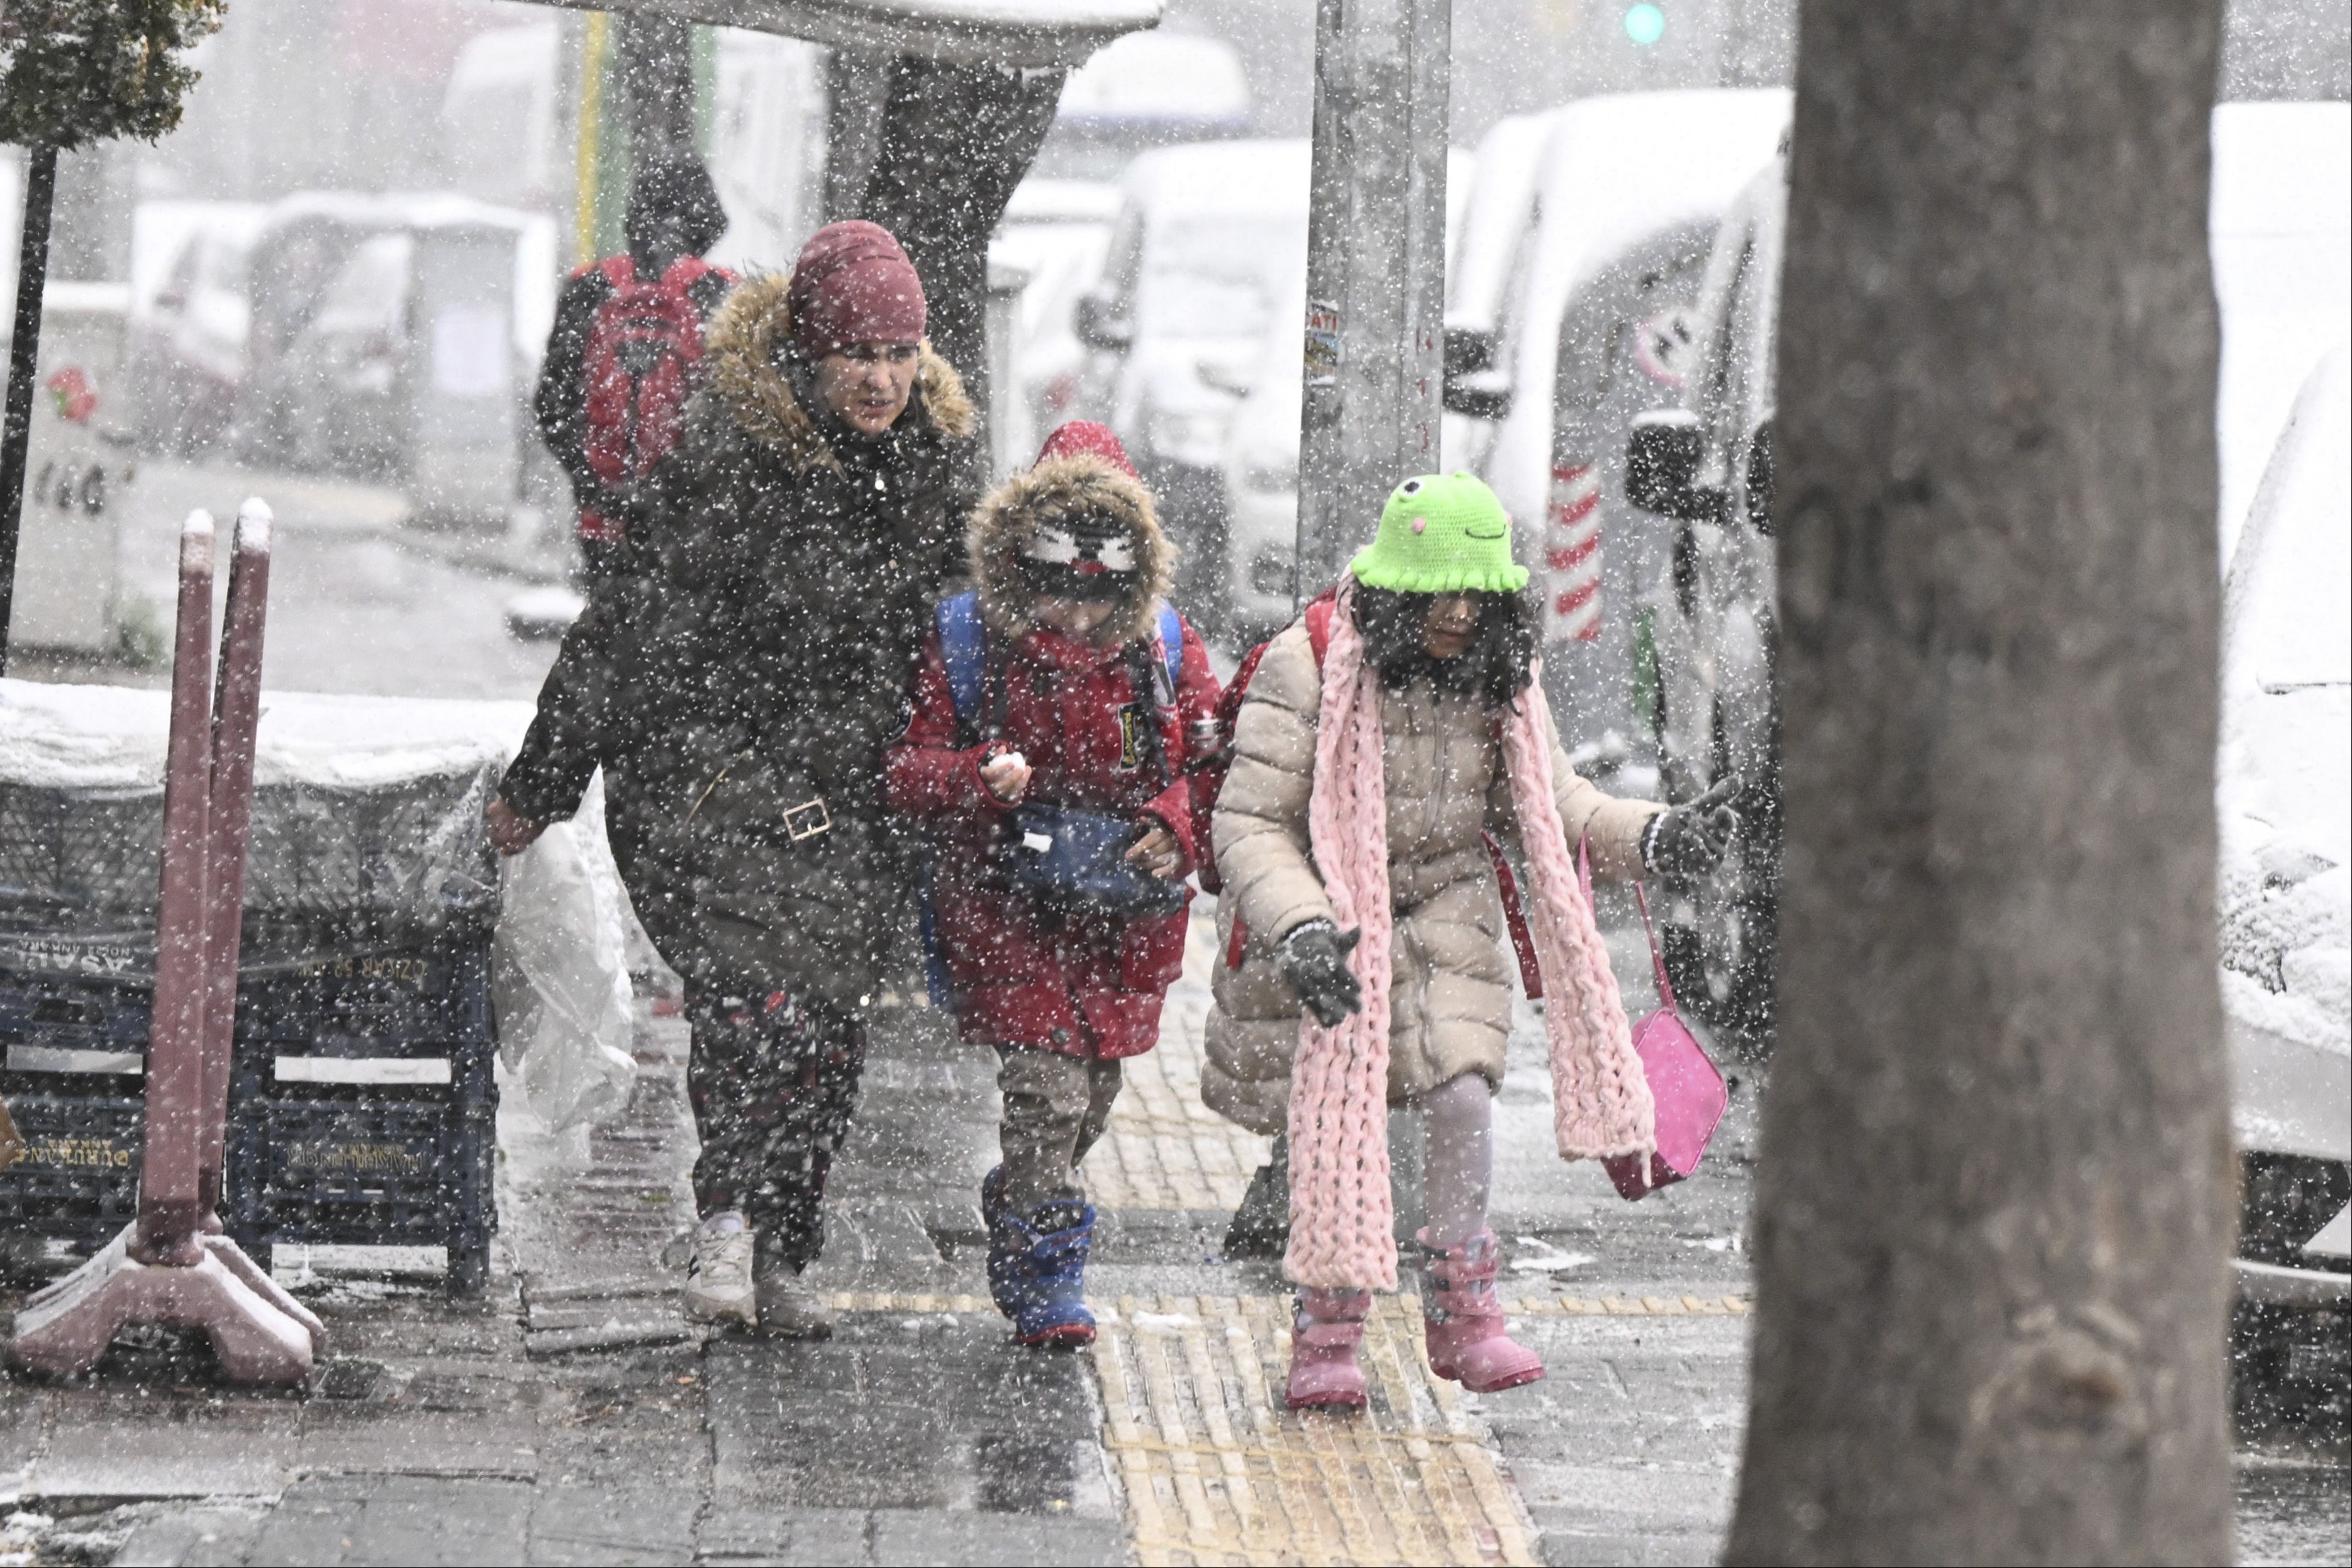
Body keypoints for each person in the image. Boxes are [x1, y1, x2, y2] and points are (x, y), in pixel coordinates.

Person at [488, 220, 979, 1340]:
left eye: (900, 354)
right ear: (807, 353)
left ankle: (782, 1240)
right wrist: (544, 779)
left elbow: (972, 624)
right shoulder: (722, 464)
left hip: (855, 788)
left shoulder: (932, 472)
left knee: (827, 1027)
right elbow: (623, 634)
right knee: (755, 1003)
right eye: (859, 353)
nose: (880, 379)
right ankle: (725, 1220)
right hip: (709, 776)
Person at [1205, 472, 1739, 1410]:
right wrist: (1298, 927)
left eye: (1476, 594)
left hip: (1446, 904)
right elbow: (1248, 823)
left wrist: (1654, 837)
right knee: (1338, 1118)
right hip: (1328, 914)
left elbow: (1554, 804)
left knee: (1459, 1095)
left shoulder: (1502, 674)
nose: (1457, 614)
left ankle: (1464, 1315)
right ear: (1394, 593)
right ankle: (1326, 1330)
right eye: (1437, 594)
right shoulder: (1308, 662)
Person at [884, 422, 1220, 1348]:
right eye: (1050, 596)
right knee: (1045, 1091)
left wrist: (1173, 824)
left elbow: (1217, 761)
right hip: (1005, 905)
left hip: (1122, 915)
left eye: (1095, 600)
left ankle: (1022, 1199)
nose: (1072, 623)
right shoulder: (964, 641)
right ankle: (1045, 1279)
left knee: (1095, 1093)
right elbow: (902, 769)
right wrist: (973, 777)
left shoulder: (1163, 648)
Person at [533, 150, 734, 582]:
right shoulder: (723, 293)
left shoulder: (589, 287)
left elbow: (551, 405)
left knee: (611, 634)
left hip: (601, 523)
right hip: (688, 528)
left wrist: (592, 484)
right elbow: (737, 418)